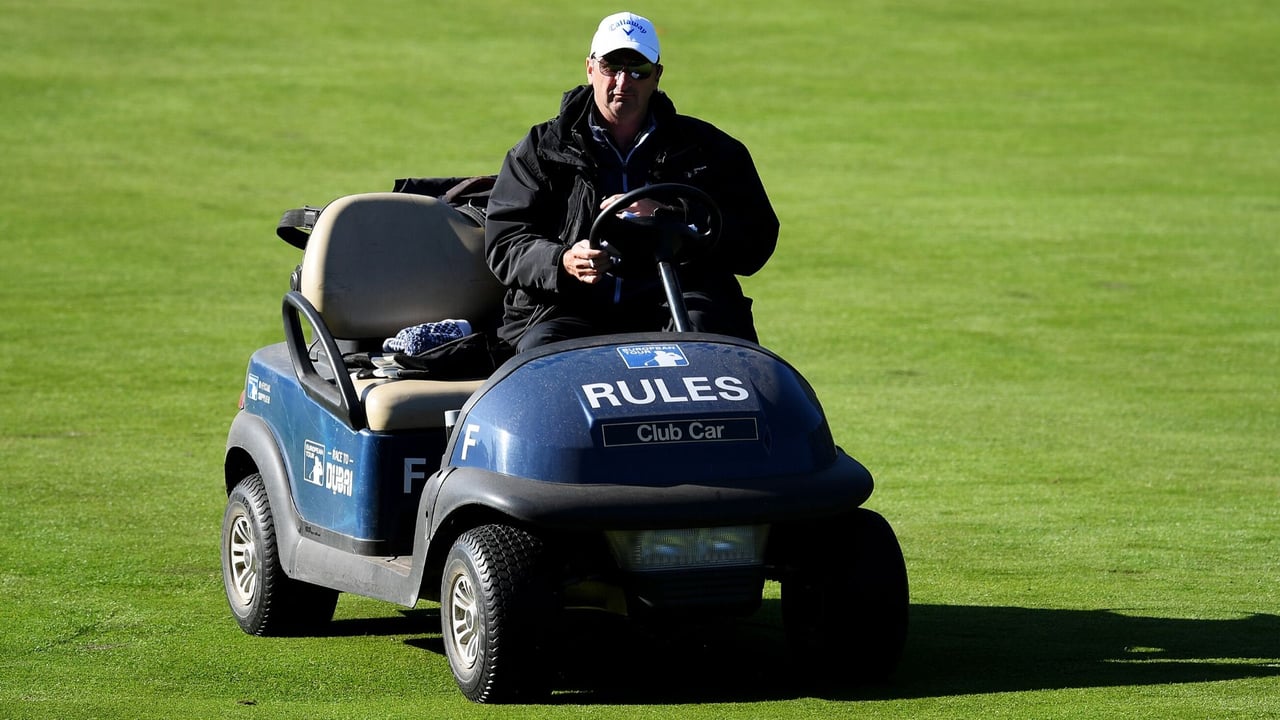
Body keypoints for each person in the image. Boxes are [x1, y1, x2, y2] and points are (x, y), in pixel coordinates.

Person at [485, 11, 779, 352]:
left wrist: (673, 218)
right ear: (590, 68)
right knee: (543, 350)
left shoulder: (710, 149)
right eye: (611, 67)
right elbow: (506, 241)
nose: (623, 82)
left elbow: (756, 242)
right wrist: (562, 260)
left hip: (675, 299)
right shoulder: (541, 149)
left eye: (637, 70)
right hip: (570, 306)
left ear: (657, 76)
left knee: (712, 335)